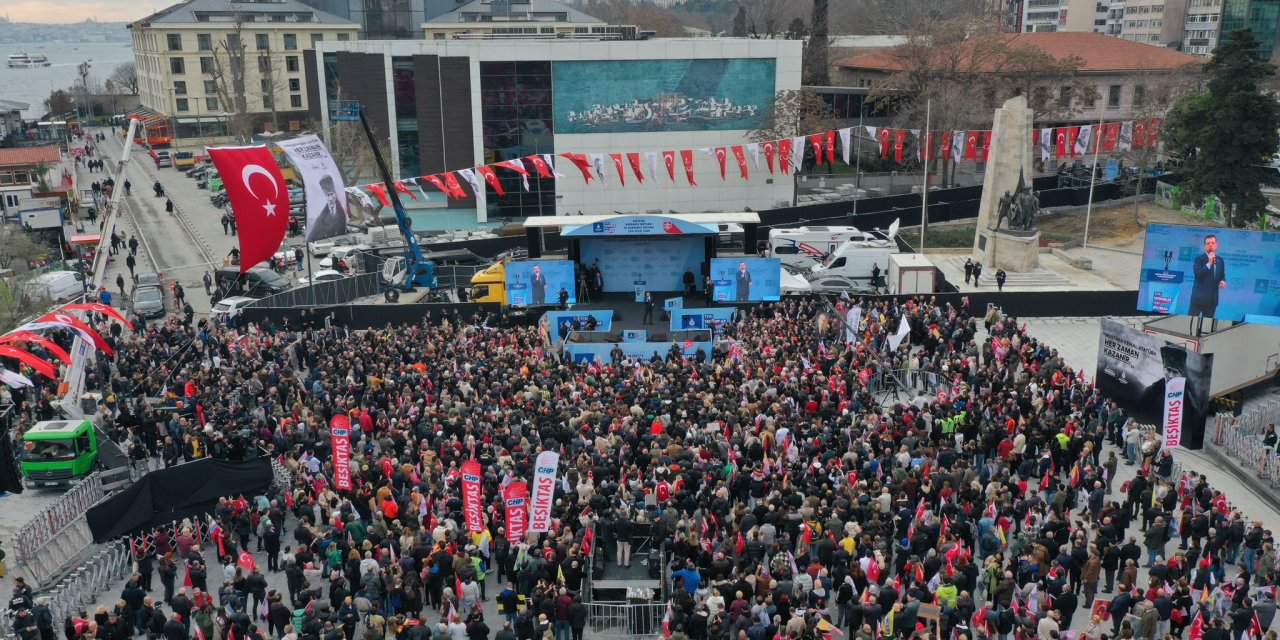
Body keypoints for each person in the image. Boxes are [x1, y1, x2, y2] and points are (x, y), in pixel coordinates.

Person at [1188, 233, 1226, 318]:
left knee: (1206, 326)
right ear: (1204, 246)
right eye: (1208, 243)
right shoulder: (1199, 259)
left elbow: (1222, 275)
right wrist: (1209, 263)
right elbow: (1198, 274)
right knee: (1189, 323)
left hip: (1212, 300)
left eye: (1212, 243)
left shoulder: (1220, 260)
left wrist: (1222, 281)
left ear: (1216, 245)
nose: (1210, 245)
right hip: (1198, 299)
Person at [308, 175, 348, 241]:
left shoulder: (343, 213)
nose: (330, 198)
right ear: (325, 197)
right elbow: (310, 238)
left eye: (331, 194)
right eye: (328, 195)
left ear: (335, 194)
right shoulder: (320, 219)